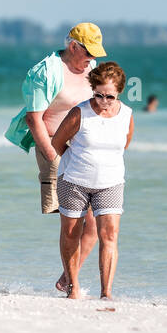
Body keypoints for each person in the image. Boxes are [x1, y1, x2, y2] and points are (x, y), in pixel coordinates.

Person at [3, 23, 106, 294]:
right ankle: (74, 286)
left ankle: (66, 278)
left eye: (95, 53)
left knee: (95, 222)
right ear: (73, 46)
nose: (91, 59)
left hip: (86, 152)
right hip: (55, 150)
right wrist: (51, 155)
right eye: (87, 52)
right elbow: (33, 118)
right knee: (72, 222)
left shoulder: (92, 69)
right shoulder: (46, 72)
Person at [50, 61, 134, 300]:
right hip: (74, 180)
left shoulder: (126, 114)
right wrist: (76, 161)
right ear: (92, 90)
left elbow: (124, 144)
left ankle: (106, 293)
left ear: (118, 93)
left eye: (109, 96)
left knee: (109, 235)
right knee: (71, 233)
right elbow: (58, 142)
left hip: (111, 182)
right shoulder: (80, 112)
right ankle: (73, 287)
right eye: (98, 95)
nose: (103, 101)